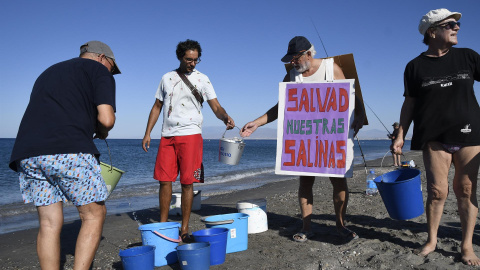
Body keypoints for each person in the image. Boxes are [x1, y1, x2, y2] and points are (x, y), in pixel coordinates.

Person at [241, 36, 366, 243]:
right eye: (290, 59)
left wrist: (359, 115)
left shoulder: (330, 68)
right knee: (305, 182)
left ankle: (341, 225)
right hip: (305, 139)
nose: (292, 62)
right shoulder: (291, 75)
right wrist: (258, 122)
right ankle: (306, 227)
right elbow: (282, 106)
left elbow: (350, 95)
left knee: (338, 181)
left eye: (296, 58)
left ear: (308, 54)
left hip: (331, 137)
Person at [9, 41, 120, 269]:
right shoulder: (98, 70)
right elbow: (106, 119)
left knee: (49, 223)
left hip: (28, 153)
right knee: (93, 214)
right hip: (69, 149)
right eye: (112, 67)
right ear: (101, 58)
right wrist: (102, 131)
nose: (111, 72)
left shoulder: (48, 72)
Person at [391, 8, 480, 266]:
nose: (457, 27)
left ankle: (466, 245)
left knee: (465, 189)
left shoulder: (468, 57)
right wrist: (400, 134)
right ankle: (432, 240)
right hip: (433, 136)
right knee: (436, 190)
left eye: (457, 24)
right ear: (432, 31)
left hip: (470, 134)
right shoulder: (414, 66)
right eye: (450, 24)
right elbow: (409, 104)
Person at [142, 39, 235, 242]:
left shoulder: (203, 79)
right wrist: (148, 132)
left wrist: (225, 117)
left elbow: (216, 106)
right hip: (167, 135)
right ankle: (164, 224)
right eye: (188, 59)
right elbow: (157, 106)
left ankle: (184, 228)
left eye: (195, 60)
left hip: (191, 135)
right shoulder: (167, 78)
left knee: (187, 182)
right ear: (180, 57)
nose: (192, 63)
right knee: (164, 180)